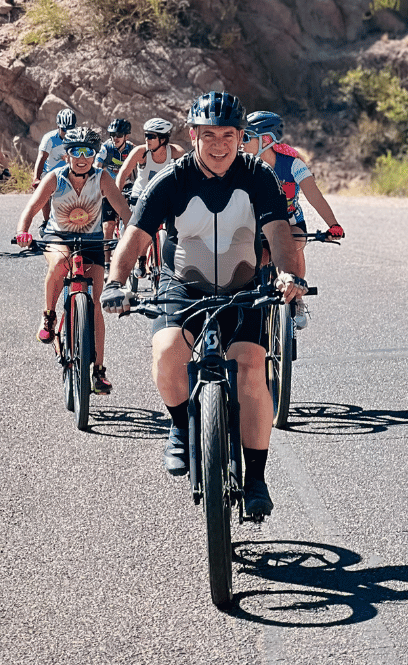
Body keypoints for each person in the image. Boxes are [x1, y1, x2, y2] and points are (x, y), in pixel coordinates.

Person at [100, 91, 307, 518]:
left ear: (240, 137)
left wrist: (289, 275)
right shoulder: (171, 179)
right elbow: (135, 236)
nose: (218, 145)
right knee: (166, 353)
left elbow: (280, 236)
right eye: (208, 134)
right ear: (192, 135)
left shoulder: (258, 176)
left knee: (251, 366)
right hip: (184, 288)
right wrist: (115, 282)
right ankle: (181, 429)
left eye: (228, 135)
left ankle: (256, 479)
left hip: (244, 288)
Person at [16, 127, 131, 395]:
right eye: (75, 151)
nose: (81, 157)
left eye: (88, 152)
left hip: (91, 241)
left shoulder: (102, 178)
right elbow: (31, 209)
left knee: (96, 305)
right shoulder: (55, 178)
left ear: (94, 154)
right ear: (67, 154)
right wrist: (23, 231)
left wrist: (132, 235)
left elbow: (124, 211)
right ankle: (49, 316)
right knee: (58, 265)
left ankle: (98, 371)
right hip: (58, 236)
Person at [242, 111, 344, 326]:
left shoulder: (292, 165)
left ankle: (296, 298)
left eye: (246, 136)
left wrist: (332, 225)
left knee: (294, 242)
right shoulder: (242, 166)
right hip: (256, 227)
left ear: (266, 140)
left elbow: (314, 196)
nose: (240, 142)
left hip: (290, 224)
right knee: (258, 260)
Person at [115, 117, 186, 276]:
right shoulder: (141, 152)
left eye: (151, 136)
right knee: (146, 228)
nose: (147, 139)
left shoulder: (176, 152)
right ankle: (141, 259)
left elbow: (189, 174)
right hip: (140, 196)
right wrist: (116, 195)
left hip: (164, 197)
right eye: (146, 135)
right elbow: (123, 173)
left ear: (163, 139)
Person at [94, 118, 134, 275]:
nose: (115, 138)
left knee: (132, 223)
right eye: (112, 134)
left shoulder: (132, 149)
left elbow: (140, 170)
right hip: (109, 188)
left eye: (119, 134)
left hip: (127, 187)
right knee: (108, 227)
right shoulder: (106, 148)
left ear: (126, 136)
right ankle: (107, 262)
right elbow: (97, 167)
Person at [31, 108, 78, 229]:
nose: (67, 133)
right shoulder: (49, 138)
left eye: (70, 130)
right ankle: (46, 220)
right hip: (50, 173)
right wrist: (36, 178)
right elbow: (41, 158)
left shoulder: (78, 138)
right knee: (44, 192)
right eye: (64, 130)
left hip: (69, 173)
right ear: (58, 126)